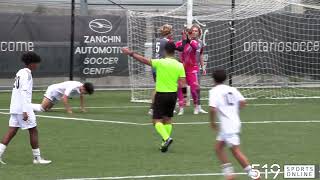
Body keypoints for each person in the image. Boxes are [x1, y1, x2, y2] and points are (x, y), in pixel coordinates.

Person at [122, 42, 186, 152]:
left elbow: (144, 60)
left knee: (156, 120)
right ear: (174, 51)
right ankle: (163, 143)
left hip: (161, 95)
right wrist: (184, 97)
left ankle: (166, 138)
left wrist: (131, 53)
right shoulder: (179, 65)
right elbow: (183, 84)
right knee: (168, 119)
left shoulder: (160, 62)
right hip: (173, 95)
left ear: (165, 51)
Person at [0, 52, 51, 165]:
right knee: (33, 130)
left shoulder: (20, 72)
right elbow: (23, 92)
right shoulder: (27, 74)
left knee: (11, 131)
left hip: (14, 107)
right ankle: (37, 159)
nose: (37, 65)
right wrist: (25, 111)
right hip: (23, 108)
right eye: (36, 63)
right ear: (31, 63)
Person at [209, 69, 259, 180]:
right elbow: (243, 102)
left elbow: (212, 109)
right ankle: (229, 174)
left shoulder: (214, 91)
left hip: (228, 127)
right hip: (231, 124)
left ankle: (254, 176)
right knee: (218, 148)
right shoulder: (231, 89)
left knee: (236, 152)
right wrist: (233, 111)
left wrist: (212, 123)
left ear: (213, 79)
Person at [176, 24, 207, 115]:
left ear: (199, 33)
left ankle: (197, 106)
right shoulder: (181, 43)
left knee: (194, 89)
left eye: (196, 31)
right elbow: (175, 50)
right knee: (181, 88)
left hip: (193, 68)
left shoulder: (198, 43)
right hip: (182, 68)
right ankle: (181, 108)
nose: (194, 32)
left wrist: (203, 66)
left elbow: (200, 53)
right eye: (192, 31)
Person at [149, 24, 174, 115]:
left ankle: (158, 107)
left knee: (160, 87)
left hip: (155, 65)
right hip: (161, 66)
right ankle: (153, 108)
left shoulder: (157, 41)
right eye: (171, 31)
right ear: (169, 32)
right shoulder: (168, 42)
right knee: (159, 88)